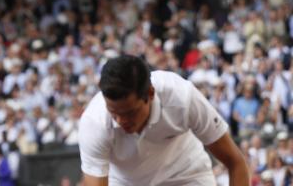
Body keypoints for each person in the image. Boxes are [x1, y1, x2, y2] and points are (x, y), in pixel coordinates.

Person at [79, 55, 249, 186]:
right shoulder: (94, 122)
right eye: (113, 112)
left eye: (130, 112)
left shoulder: (182, 97)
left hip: (187, 177)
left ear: (150, 94)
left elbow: (235, 162)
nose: (121, 120)